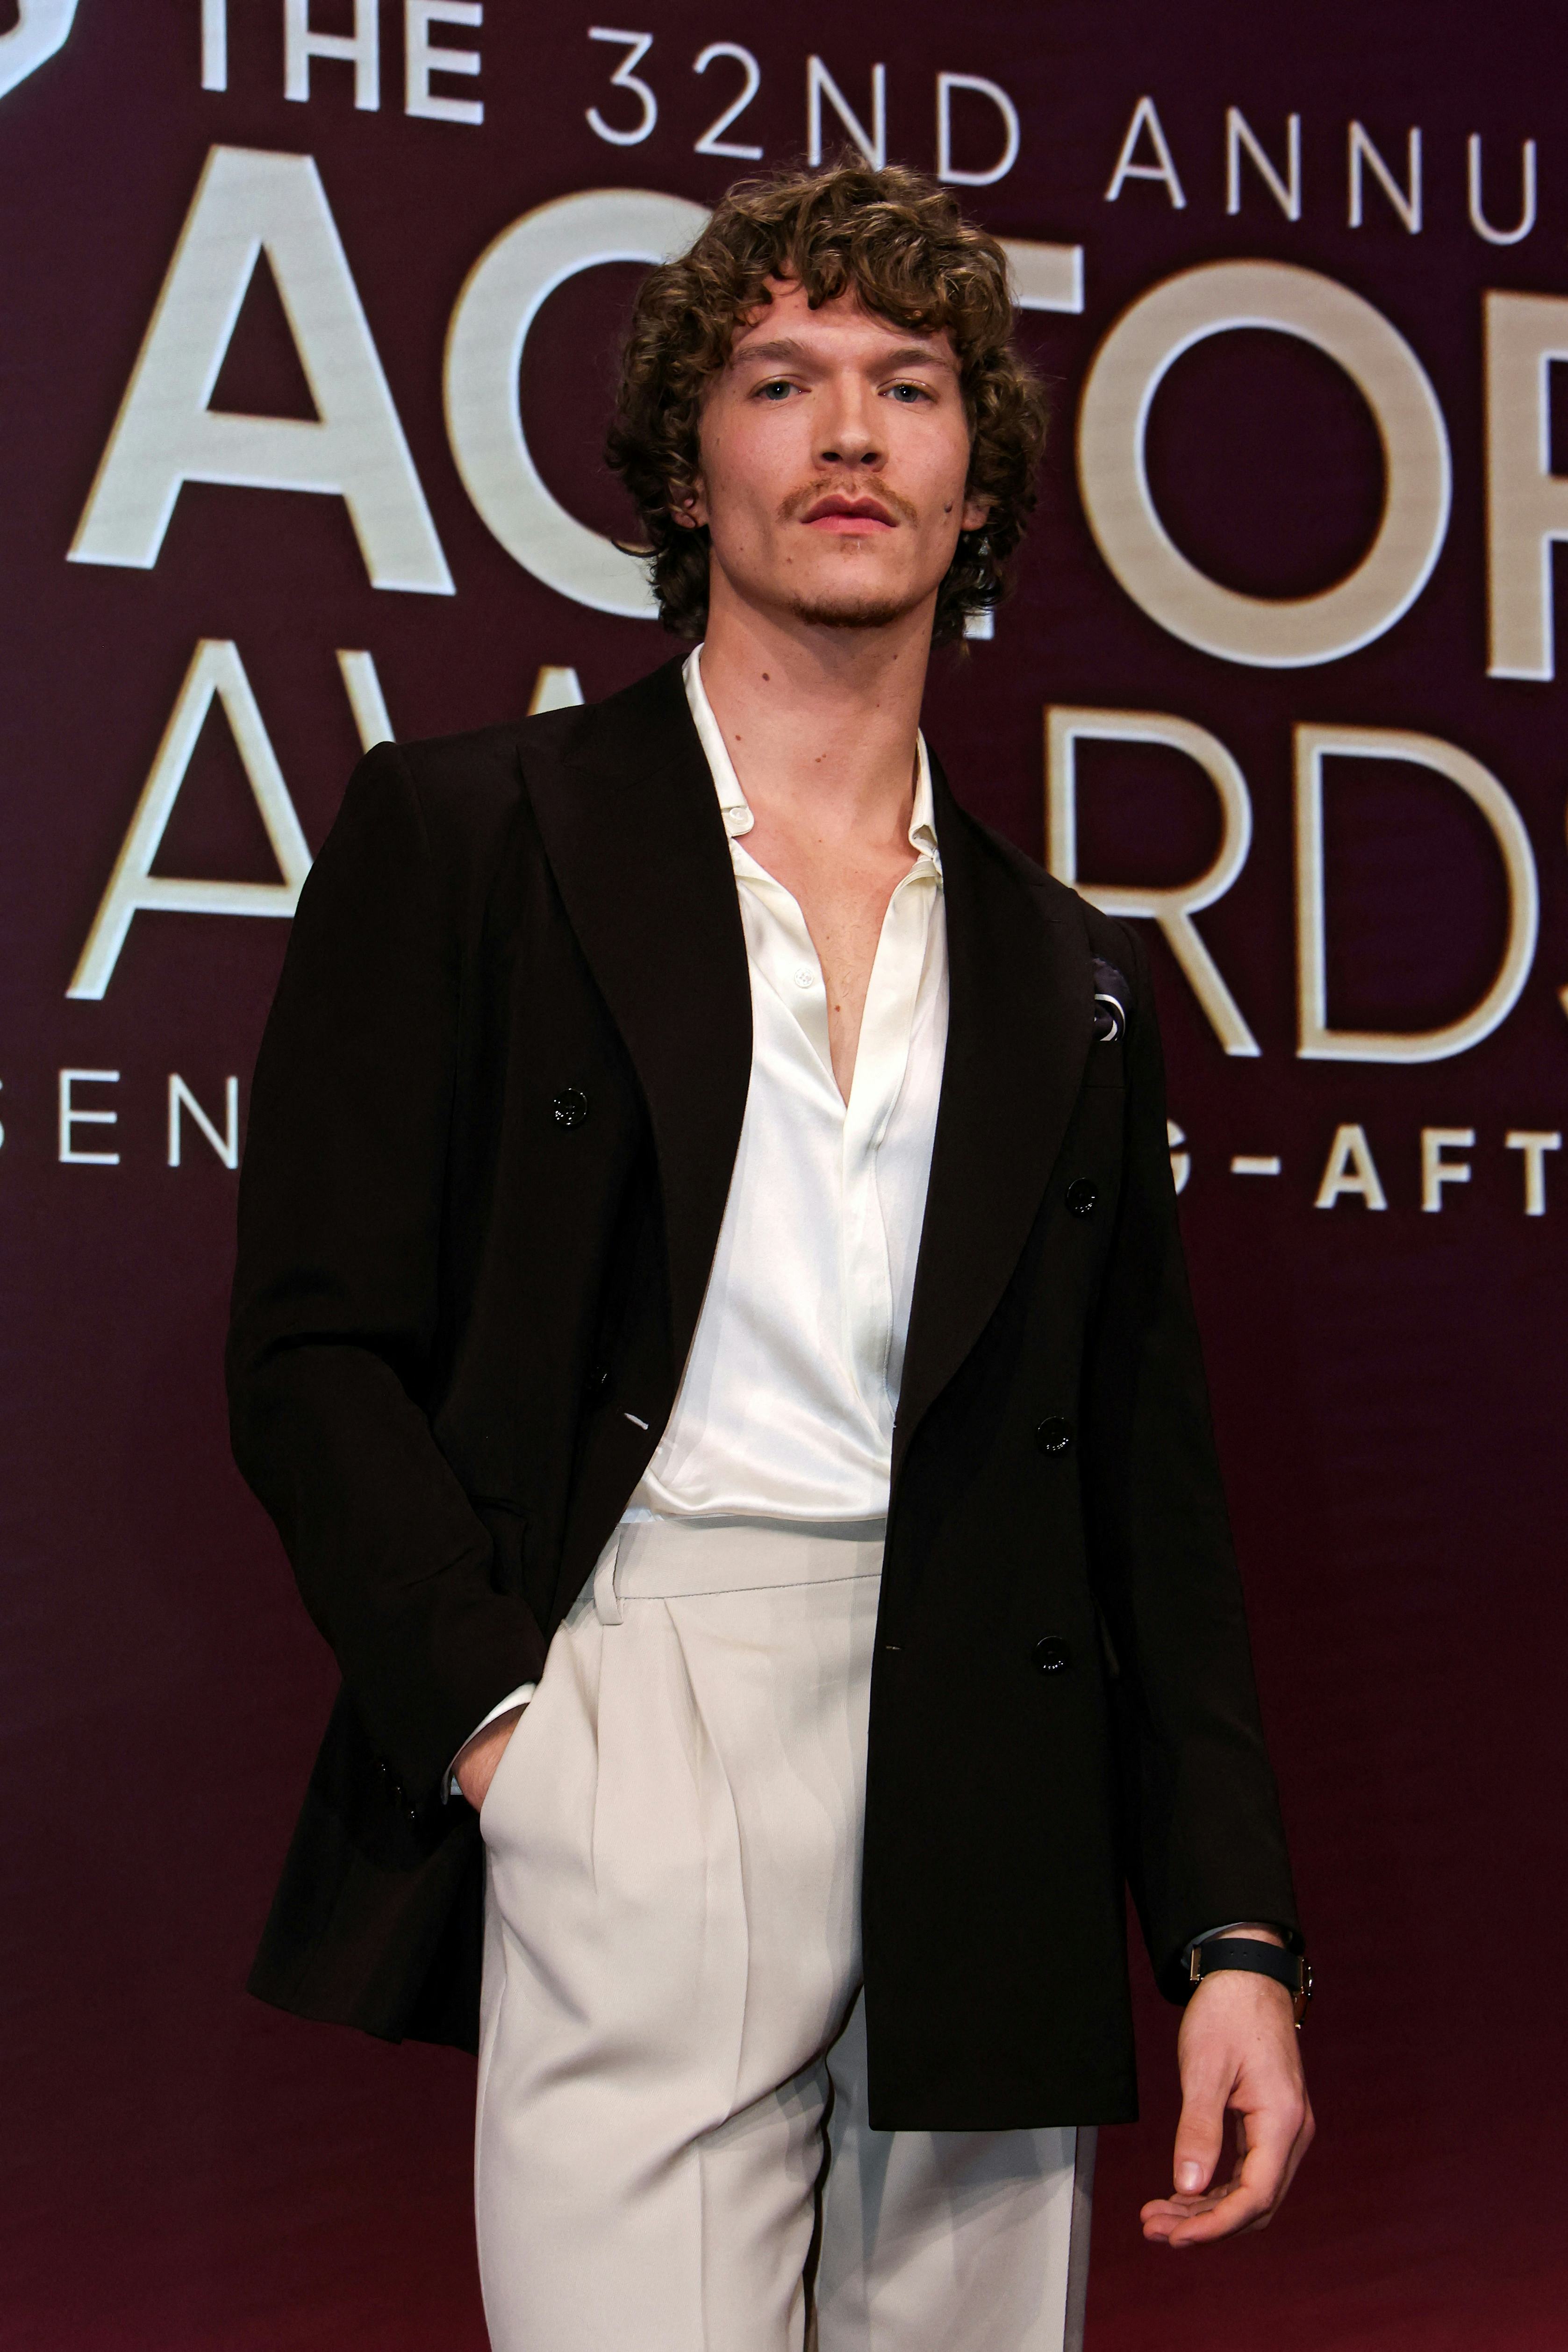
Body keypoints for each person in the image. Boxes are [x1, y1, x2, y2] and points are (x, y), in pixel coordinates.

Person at [228, 164, 1312, 2352]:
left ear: (974, 478)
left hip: (986, 1755)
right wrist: (512, 1726)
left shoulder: (1072, 970)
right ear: (682, 457)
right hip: (640, 1704)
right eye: (780, 377)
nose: (847, 433)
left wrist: (1231, 1936)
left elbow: (1142, 1491)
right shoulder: (471, 835)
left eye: (910, 386)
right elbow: (312, 1346)